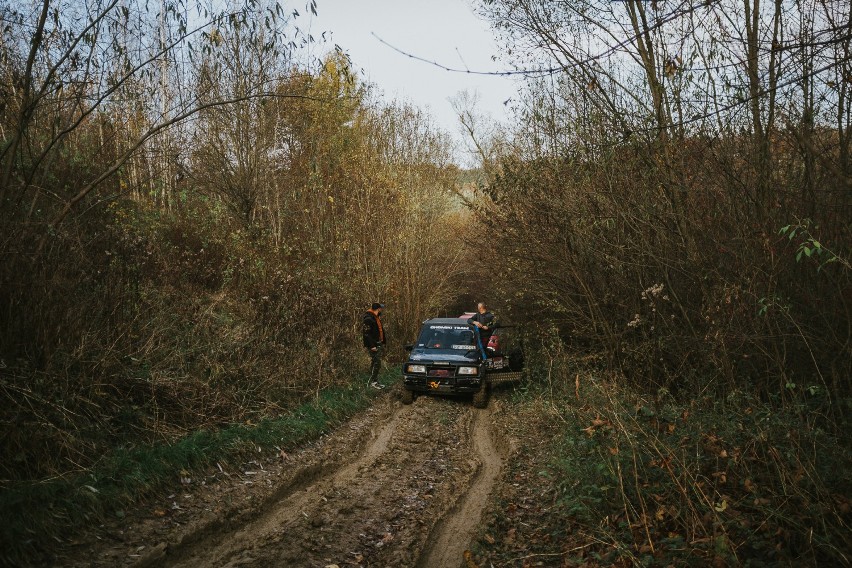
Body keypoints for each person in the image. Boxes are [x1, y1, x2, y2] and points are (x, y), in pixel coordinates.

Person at [362, 302, 386, 387]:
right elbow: (366, 334)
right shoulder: (368, 319)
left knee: (375, 362)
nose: (381, 310)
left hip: (377, 343)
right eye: (380, 308)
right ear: (378, 309)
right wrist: (372, 346)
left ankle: (374, 381)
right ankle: (373, 382)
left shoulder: (375, 318)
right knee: (377, 363)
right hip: (373, 345)